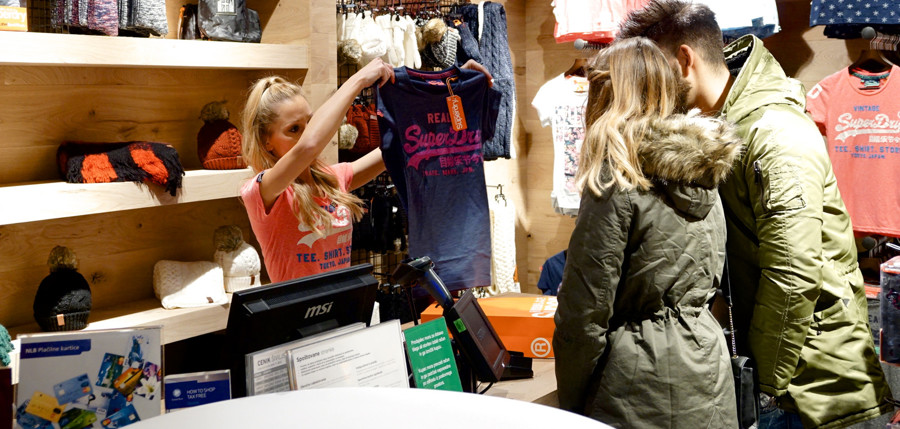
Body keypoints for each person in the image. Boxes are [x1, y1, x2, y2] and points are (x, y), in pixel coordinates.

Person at [617, 0, 893, 429]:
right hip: (783, 378)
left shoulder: (775, 131)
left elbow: (794, 272)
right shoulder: (723, 126)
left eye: (652, 71)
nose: (648, 87)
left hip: (811, 390)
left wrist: (763, 384)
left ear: (684, 60)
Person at [553, 36, 742, 428]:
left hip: (635, 384)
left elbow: (584, 316)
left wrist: (570, 402)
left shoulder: (618, 179)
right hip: (708, 367)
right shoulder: (703, 170)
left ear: (606, 96)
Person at [240, 58, 492, 284]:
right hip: (297, 316)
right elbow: (308, 146)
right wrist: (359, 79)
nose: (307, 132)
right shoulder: (260, 192)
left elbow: (401, 145)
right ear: (266, 142)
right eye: (294, 129)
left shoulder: (333, 180)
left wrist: (450, 89)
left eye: (311, 121)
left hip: (346, 311)